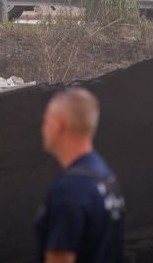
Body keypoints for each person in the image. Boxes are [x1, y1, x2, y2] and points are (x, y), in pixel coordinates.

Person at [36, 88, 125, 263]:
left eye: (45, 122)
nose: (42, 130)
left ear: (59, 124)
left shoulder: (70, 189)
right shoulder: (106, 177)